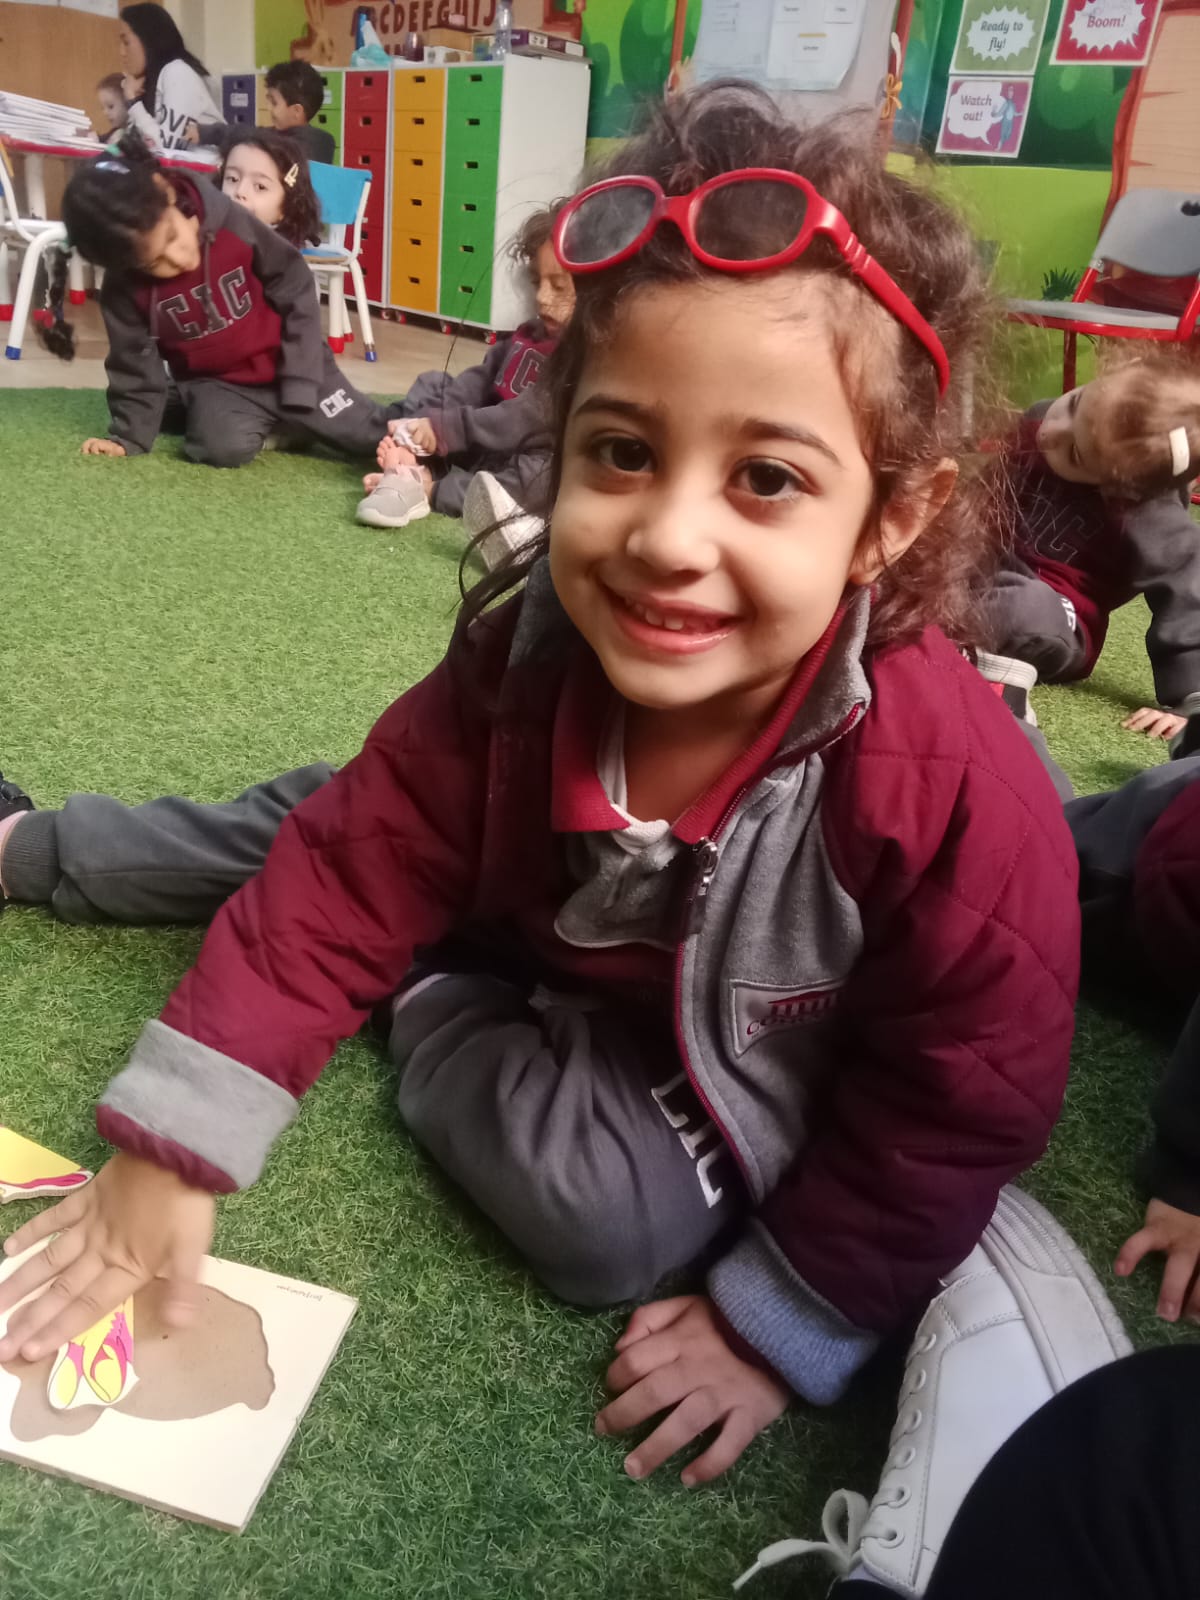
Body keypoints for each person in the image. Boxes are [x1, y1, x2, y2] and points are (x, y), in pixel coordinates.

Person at [0, 84, 1080, 1485]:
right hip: (492, 871)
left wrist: (781, 1320)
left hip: (631, 1033)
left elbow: (966, 1097)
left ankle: (416, 980)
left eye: (766, 477)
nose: (668, 537)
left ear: (893, 517)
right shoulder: (524, 659)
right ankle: (28, 843)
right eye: (623, 453)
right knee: (308, 837)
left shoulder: (954, 792)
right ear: (559, 444)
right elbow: (346, 867)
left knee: (607, 1226)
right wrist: (174, 1146)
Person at [43, 133, 399, 468]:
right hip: (219, 383)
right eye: (154, 263)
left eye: (172, 236)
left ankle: (426, 414)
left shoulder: (231, 221)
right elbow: (132, 360)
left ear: (166, 190)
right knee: (216, 447)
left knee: (371, 435)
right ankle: (280, 425)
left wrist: (302, 375)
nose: (179, 259)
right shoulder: (123, 290)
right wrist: (128, 436)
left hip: (289, 362)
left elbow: (293, 281)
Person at [981, 357, 1200, 741]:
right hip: (981, 572)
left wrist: (1193, 698)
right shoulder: (1041, 419)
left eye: (1076, 454)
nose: (1052, 433)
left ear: (1123, 488)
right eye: (1074, 403)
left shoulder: (1149, 513)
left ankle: (1004, 684)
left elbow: (1187, 593)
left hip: (1056, 613)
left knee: (1023, 607)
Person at [356, 205, 573, 535]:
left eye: (558, 286)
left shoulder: (583, 355)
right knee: (434, 383)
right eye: (536, 282)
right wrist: (432, 422)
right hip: (483, 439)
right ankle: (415, 455)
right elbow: (481, 379)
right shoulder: (530, 332)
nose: (542, 298)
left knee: (545, 479)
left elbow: (529, 416)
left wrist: (449, 428)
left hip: (526, 454)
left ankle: (429, 487)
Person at [117, 3, 223, 152]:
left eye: (126, 42)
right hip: (172, 166)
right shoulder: (149, 81)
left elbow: (167, 148)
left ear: (149, 39)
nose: (122, 52)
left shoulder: (177, 72)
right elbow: (135, 146)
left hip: (200, 166)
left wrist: (133, 102)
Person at [219, 130, 322, 251]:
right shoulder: (205, 238)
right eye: (233, 179)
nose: (240, 192)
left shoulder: (283, 259)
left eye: (260, 187)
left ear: (287, 205)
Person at [263, 60, 336, 166]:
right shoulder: (325, 140)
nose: (268, 108)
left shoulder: (286, 146)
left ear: (296, 111)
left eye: (274, 103)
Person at [95, 73, 128, 140]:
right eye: (103, 108)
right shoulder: (114, 131)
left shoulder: (137, 132)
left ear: (127, 102)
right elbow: (102, 139)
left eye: (110, 106)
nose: (105, 112)